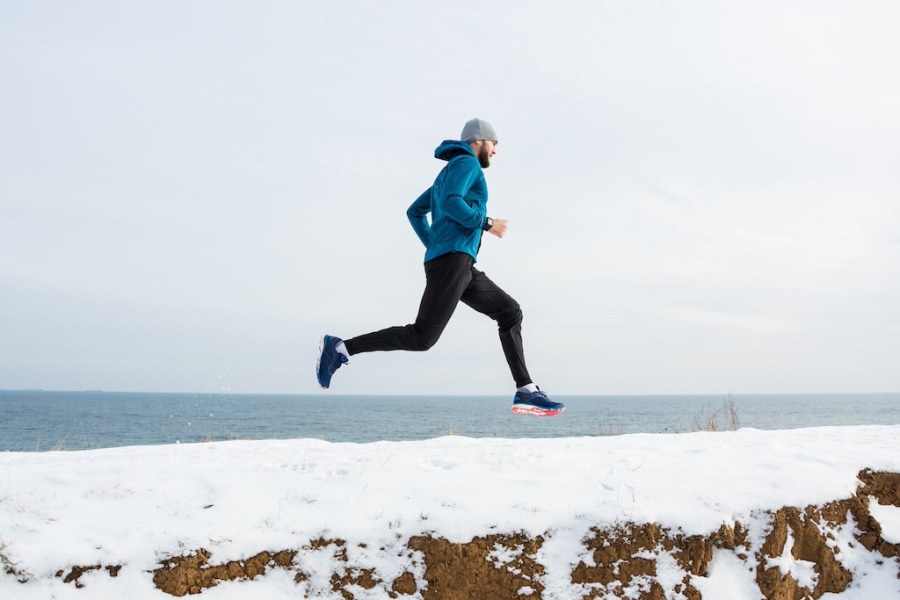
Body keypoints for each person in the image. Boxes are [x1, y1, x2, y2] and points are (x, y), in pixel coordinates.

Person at [316, 118, 564, 416]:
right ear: (479, 141)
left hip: (459, 264)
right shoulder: (466, 164)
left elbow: (415, 211)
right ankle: (340, 348)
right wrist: (486, 224)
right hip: (453, 262)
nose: (496, 151)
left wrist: (435, 244)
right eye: (494, 143)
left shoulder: (446, 174)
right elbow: (450, 202)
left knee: (510, 311)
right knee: (422, 337)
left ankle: (526, 390)